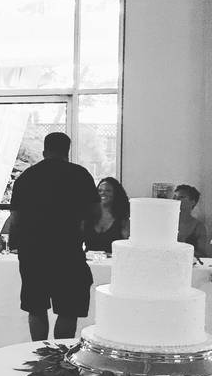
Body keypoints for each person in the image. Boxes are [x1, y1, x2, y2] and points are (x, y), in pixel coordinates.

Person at [9, 132, 100, 341]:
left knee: (36, 307)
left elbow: (15, 218)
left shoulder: (26, 177)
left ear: (44, 151)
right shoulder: (80, 175)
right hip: (68, 250)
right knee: (68, 309)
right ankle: (60, 354)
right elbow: (95, 212)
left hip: (33, 251)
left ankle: (39, 351)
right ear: (68, 151)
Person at [82, 177, 130, 254]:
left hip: (113, 264)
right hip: (90, 264)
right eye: (99, 190)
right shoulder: (88, 216)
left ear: (116, 194)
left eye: (108, 191)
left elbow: (127, 248)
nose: (103, 193)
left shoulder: (123, 219)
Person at [174, 184, 209, 258]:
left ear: (192, 202)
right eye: (174, 197)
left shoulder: (199, 227)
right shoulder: (166, 224)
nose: (176, 200)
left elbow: (202, 254)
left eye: (181, 197)